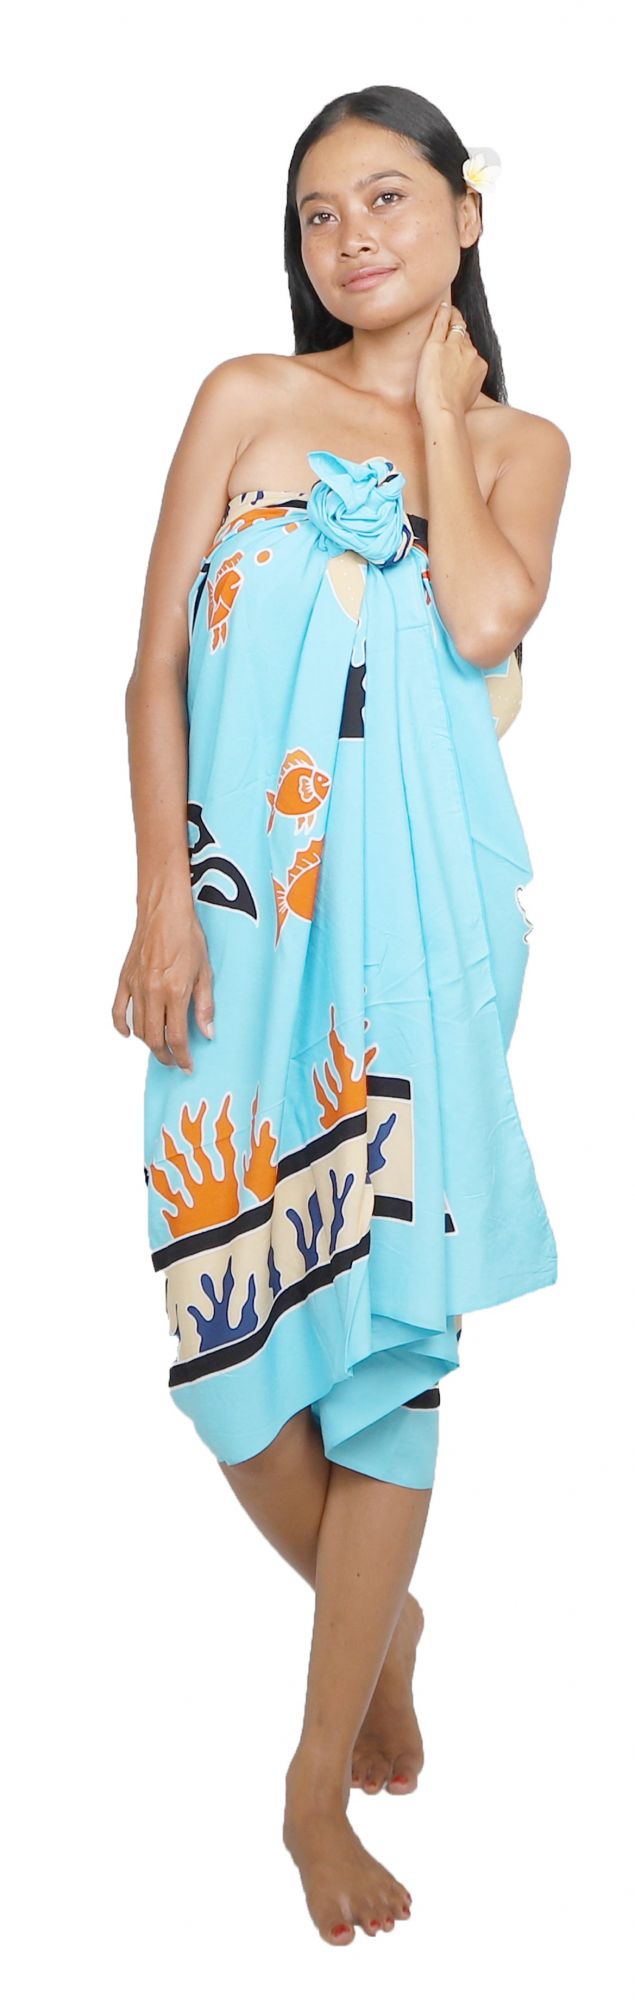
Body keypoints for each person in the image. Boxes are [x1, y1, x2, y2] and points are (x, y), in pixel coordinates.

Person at [111, 84, 570, 1948]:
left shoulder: (522, 444)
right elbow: (151, 669)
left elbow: (484, 621)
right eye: (319, 212)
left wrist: (444, 417)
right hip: (233, 934)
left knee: (388, 1347)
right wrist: (161, 897)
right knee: (221, 1338)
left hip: (415, 953)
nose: (353, 235)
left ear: (466, 213)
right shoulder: (246, 398)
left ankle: (311, 1785)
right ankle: (384, 1618)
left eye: (388, 197)